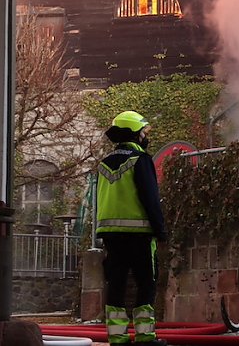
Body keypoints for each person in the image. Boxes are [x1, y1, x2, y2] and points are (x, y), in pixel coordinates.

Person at [96, 110, 168, 346]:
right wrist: (161, 230)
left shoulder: (103, 163)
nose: (146, 136)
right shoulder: (140, 160)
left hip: (111, 236)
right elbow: (150, 198)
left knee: (116, 284)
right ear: (135, 134)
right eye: (144, 132)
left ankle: (118, 338)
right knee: (146, 283)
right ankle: (145, 337)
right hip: (140, 236)